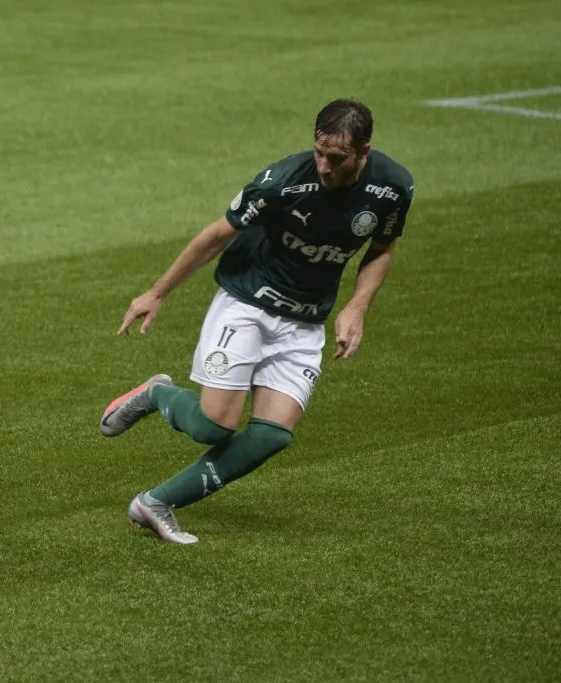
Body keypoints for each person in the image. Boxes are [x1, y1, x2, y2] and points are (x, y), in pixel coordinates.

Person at [100, 99, 413, 544]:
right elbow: (214, 237)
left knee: (271, 436)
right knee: (213, 426)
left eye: (336, 158)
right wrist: (157, 292)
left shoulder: (393, 187)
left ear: (364, 151)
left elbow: (381, 250)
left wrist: (357, 306)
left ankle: (154, 502)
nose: (323, 165)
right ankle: (157, 393)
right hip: (248, 304)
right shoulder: (282, 182)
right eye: (319, 152)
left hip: (305, 323)